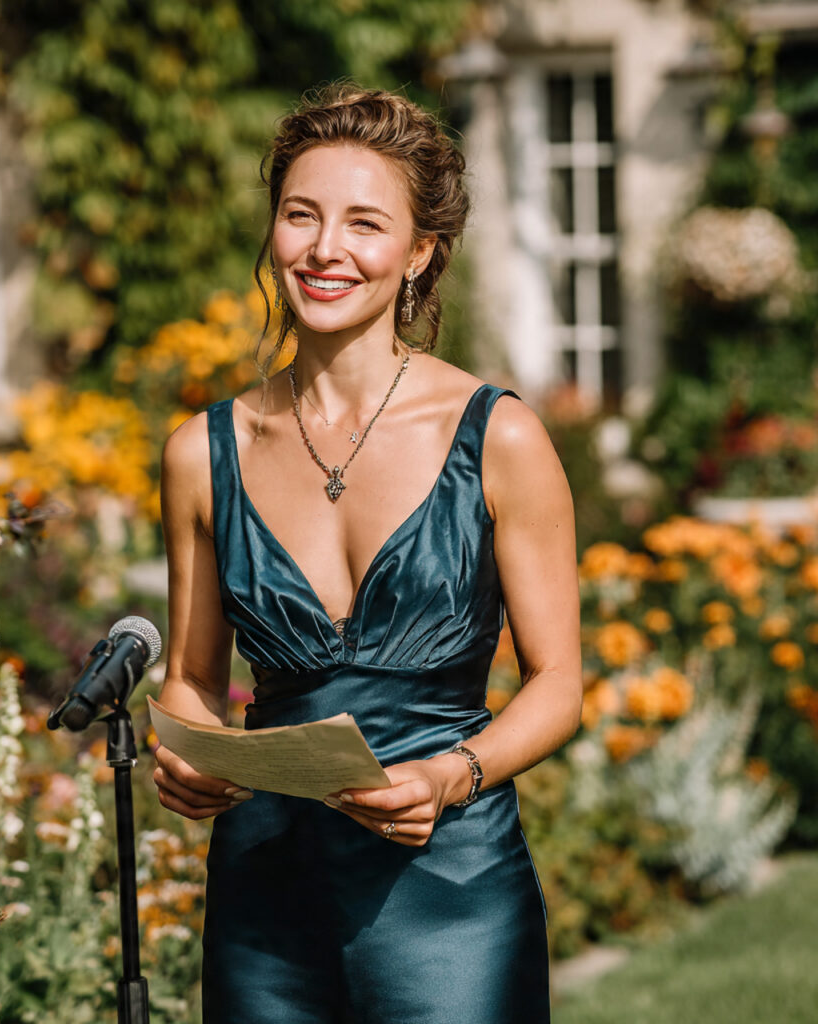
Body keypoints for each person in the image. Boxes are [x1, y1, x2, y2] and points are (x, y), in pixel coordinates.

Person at [152, 85, 582, 1023]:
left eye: (363, 223)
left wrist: (451, 774)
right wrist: (185, 748)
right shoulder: (202, 453)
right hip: (265, 900)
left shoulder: (499, 437)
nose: (324, 249)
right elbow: (191, 678)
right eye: (300, 215)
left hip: (452, 892)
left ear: (420, 252)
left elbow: (559, 686)